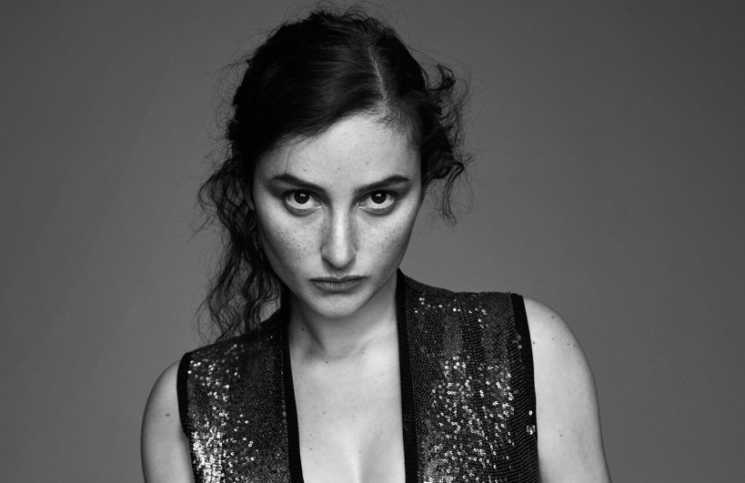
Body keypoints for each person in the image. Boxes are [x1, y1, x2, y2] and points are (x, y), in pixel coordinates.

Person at [141, 6, 611, 483]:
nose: (339, 251)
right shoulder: (189, 412)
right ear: (245, 188)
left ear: (423, 184)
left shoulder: (522, 352)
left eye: (378, 198)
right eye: (301, 198)